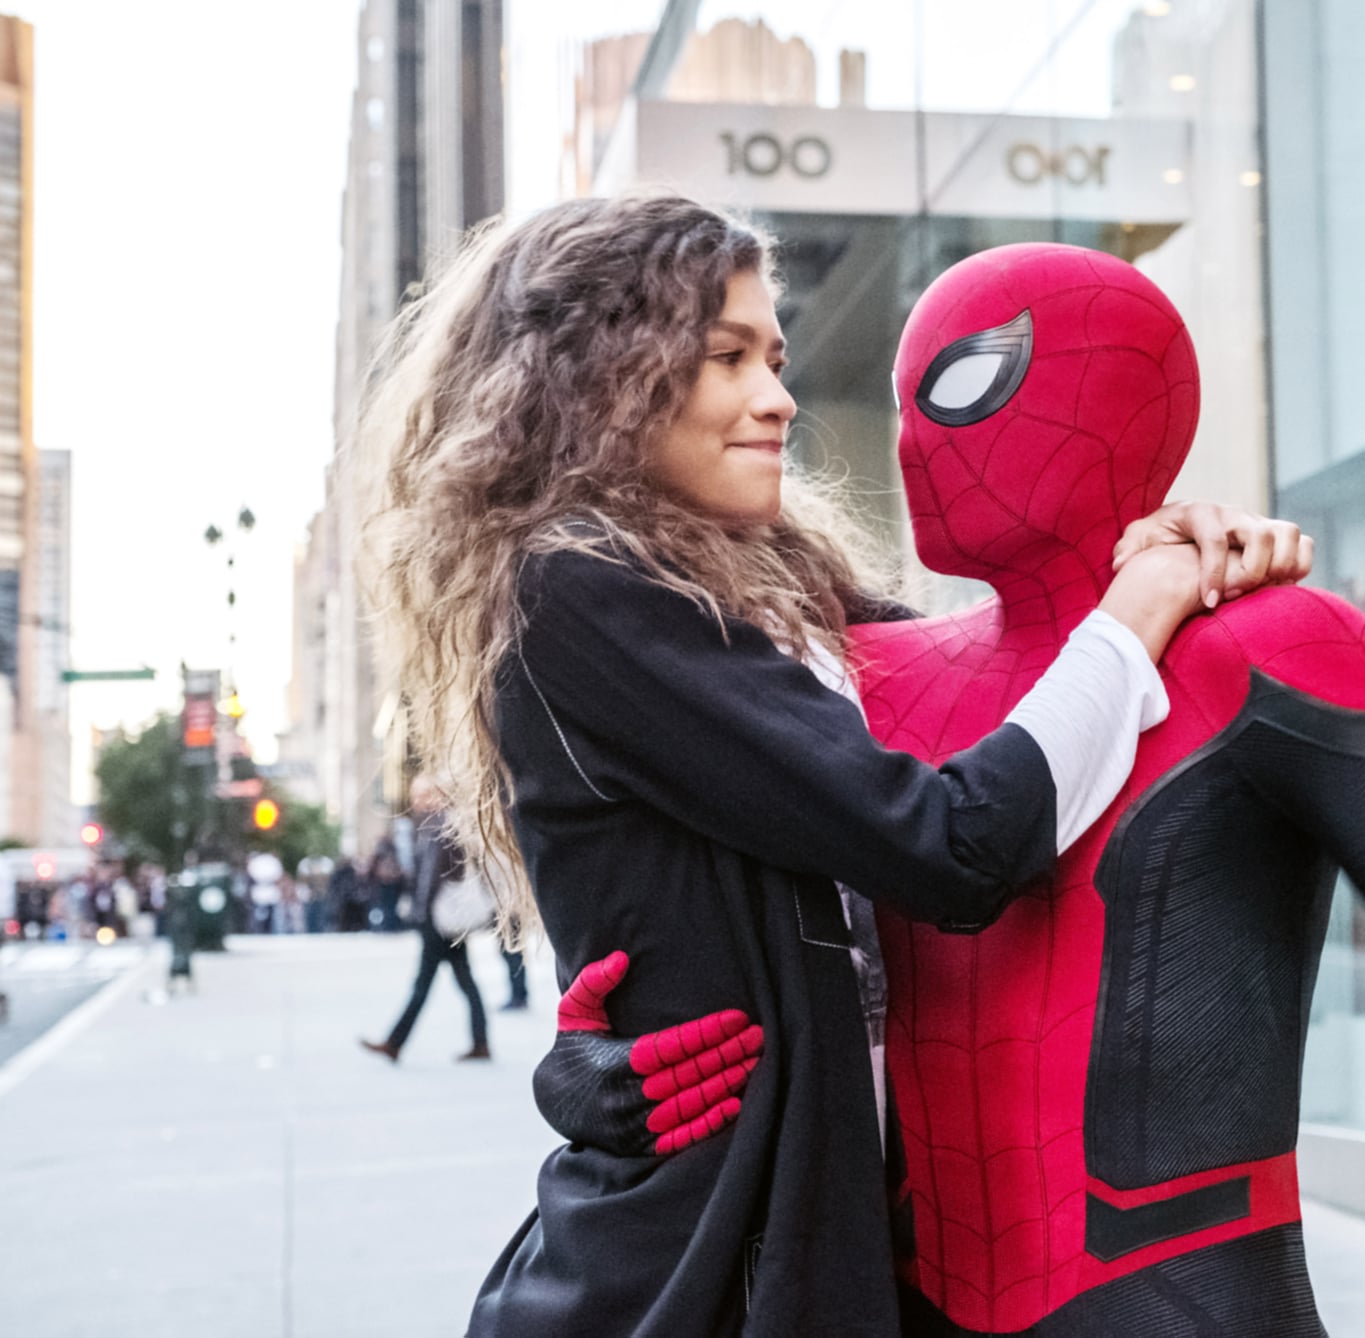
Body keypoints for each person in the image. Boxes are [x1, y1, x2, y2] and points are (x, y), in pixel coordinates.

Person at [540, 244, 1365, 1335]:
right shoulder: (851, 671)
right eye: (907, 393)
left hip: (1179, 1296)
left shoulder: (1262, 649)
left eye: (963, 382)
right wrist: (597, 1065)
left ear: (1118, 395)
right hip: (889, 1299)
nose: (913, 433)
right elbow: (664, 862)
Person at [356, 193, 1303, 1336]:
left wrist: (1174, 561)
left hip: (858, 1237)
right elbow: (953, 839)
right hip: (701, 1277)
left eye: (776, 355)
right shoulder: (584, 593)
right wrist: (1134, 608)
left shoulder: (773, 582)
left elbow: (1009, 700)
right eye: (725, 358)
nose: (777, 397)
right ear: (602, 379)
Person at [358, 775, 491, 1063]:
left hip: (438, 918)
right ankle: (480, 1042)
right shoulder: (438, 825)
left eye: (423, 794)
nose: (417, 800)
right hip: (443, 918)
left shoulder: (439, 825)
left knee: (425, 984)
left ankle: (395, 1042)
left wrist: (422, 911)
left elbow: (432, 875)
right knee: (464, 981)